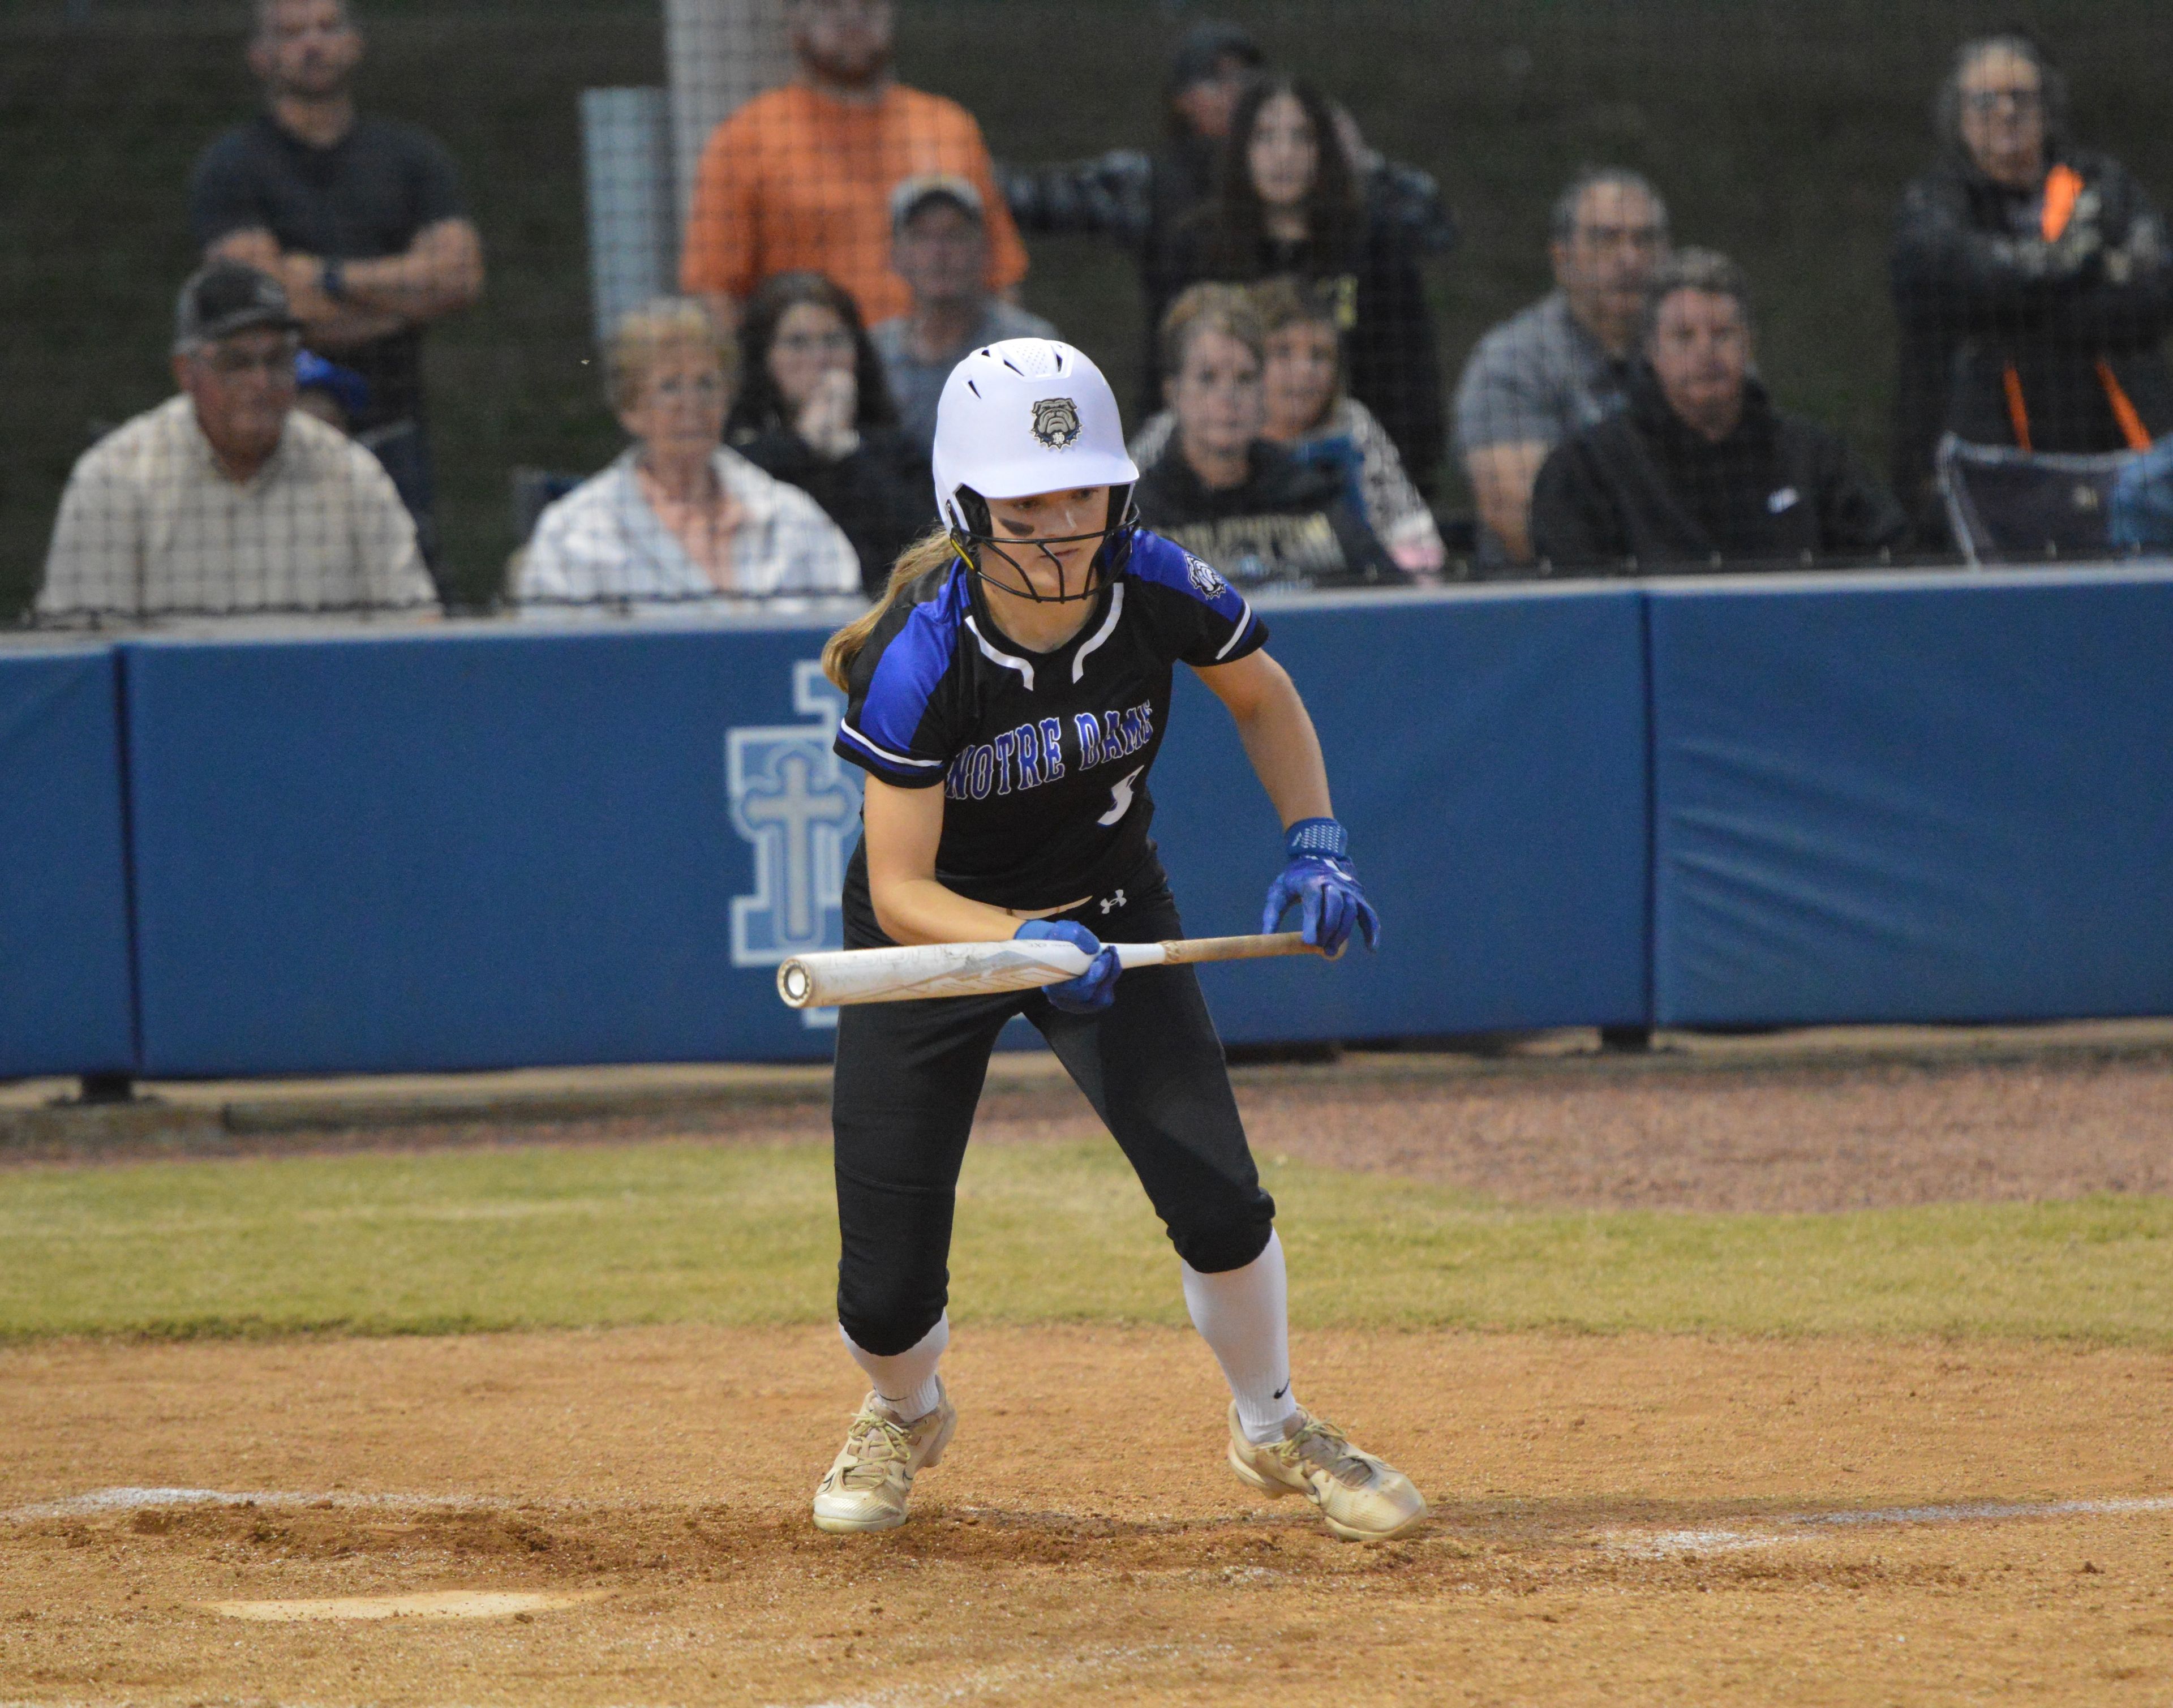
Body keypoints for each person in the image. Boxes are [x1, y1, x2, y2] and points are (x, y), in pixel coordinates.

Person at [809, 334, 1425, 1544]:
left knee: (1218, 1200)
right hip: (936, 931)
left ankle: (1271, 1419)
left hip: (1106, 903)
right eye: (1030, 506)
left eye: (1082, 495)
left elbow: (1264, 694)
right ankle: (902, 1411)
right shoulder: (922, 655)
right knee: (884, 1284)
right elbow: (899, 885)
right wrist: (1022, 943)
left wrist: (1317, 840)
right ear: (969, 508)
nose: (1064, 529)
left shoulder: (1154, 582)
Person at [999, 20, 1456, 413]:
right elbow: (1035, 198)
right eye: (1217, 80)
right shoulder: (1152, 187)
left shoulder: (1363, 228)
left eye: (1247, 77)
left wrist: (1354, 160)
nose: (1235, 90)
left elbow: (1436, 225)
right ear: (1180, 98)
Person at [189, 0, 484, 571]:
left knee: (408, 581)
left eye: (328, 28)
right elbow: (264, 300)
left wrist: (325, 278)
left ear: (355, 43)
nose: (313, 45)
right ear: (261, 55)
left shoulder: (412, 158)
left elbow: (459, 276)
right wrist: (402, 299)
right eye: (293, 33)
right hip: (277, 424)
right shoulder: (230, 168)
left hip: (397, 425)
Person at [1890, 33, 2173, 535]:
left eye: (2022, 97)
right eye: (1985, 100)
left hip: (2128, 465)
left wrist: (2016, 305)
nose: (2006, 112)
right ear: (1958, 116)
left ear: (2048, 109)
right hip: (1992, 471)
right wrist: (2081, 264)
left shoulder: (2103, 185)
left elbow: (2153, 295)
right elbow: (1949, 282)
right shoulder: (1932, 206)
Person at [38, 263, 432, 619]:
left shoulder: (351, 474)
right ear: (185, 372)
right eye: (236, 363)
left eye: (278, 360)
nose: (261, 383)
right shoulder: (115, 478)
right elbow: (80, 663)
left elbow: (416, 635)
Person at [1529, 250, 1908, 573]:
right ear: (1650, 351)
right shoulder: (1587, 471)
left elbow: (1891, 563)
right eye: (1684, 337)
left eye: (1723, 334)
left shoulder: (1815, 460)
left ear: (1749, 344)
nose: (1706, 352)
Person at [679, 0, 1029, 333]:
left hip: (940, 374)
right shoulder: (745, 139)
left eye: (869, 4)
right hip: (812, 376)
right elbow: (715, 294)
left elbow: (1000, 277)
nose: (853, 16)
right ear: (794, 21)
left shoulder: (948, 128)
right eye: (830, 4)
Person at [1170, 76, 1445, 492]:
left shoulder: (1377, 249)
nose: (1284, 155)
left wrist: (1400, 481)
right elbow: (1169, 368)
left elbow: (1411, 386)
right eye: (1265, 137)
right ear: (1241, 149)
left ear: (1325, 152)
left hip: (1353, 470)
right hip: (1223, 473)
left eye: (1301, 138)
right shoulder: (1197, 251)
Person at [516, 299, 858, 609]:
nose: (691, 404)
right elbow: (549, 666)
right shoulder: (575, 532)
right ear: (630, 409)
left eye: (706, 384)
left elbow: (842, 647)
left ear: (727, 398)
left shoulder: (793, 518)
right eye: (670, 386)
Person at [1130, 277, 1444, 575]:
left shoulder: (1311, 497)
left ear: (1262, 391)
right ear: (1173, 394)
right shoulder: (1135, 516)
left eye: (1245, 378)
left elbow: (1389, 591)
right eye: (1208, 378)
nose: (1228, 397)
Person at [1453, 168, 1672, 570]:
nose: (1630, 259)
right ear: (1562, 259)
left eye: (1645, 240)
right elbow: (1522, 522)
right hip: (1550, 606)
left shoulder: (1698, 348)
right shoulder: (1510, 362)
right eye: (1607, 240)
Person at [724, 272, 931, 599]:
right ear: (764, 358)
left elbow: (927, 547)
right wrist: (805, 444)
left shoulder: (897, 451)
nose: (820, 359)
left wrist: (844, 451)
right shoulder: (735, 455)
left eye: (834, 341)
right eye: (797, 343)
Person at [869, 175, 1058, 456]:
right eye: (922, 237)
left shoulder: (1029, 347)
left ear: (983, 249)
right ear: (897, 255)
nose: (939, 253)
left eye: (954, 235)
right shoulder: (873, 353)